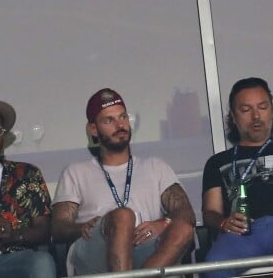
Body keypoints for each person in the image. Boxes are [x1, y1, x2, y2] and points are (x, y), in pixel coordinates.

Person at [52, 88, 196, 276]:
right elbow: (58, 227)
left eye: (123, 117)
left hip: (146, 249)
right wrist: (82, 227)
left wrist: (164, 222)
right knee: (123, 216)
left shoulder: (156, 166)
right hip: (96, 251)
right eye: (109, 120)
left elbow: (186, 214)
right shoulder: (76, 171)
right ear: (93, 129)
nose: (120, 125)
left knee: (183, 227)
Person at [0, 93, 56, 278]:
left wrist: (14, 235)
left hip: (11, 260)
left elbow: (45, 229)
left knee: (41, 261)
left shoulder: (26, 174)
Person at [202, 77, 273, 277]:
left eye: (262, 107)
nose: (256, 116)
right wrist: (223, 223)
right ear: (233, 116)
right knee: (213, 267)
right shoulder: (217, 162)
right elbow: (210, 212)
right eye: (246, 110)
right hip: (242, 234)